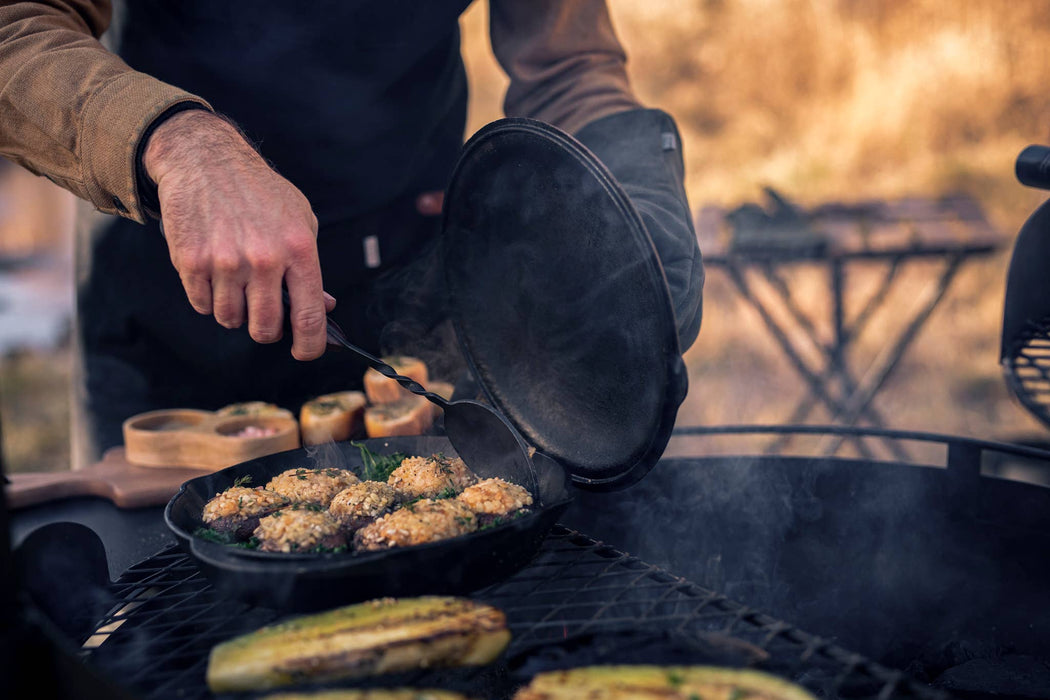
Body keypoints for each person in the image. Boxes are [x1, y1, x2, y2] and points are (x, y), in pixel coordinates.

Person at [0, 0, 703, 456]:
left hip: (413, 300)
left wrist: (626, 192)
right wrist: (184, 146)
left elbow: (568, 63)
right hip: (174, 309)